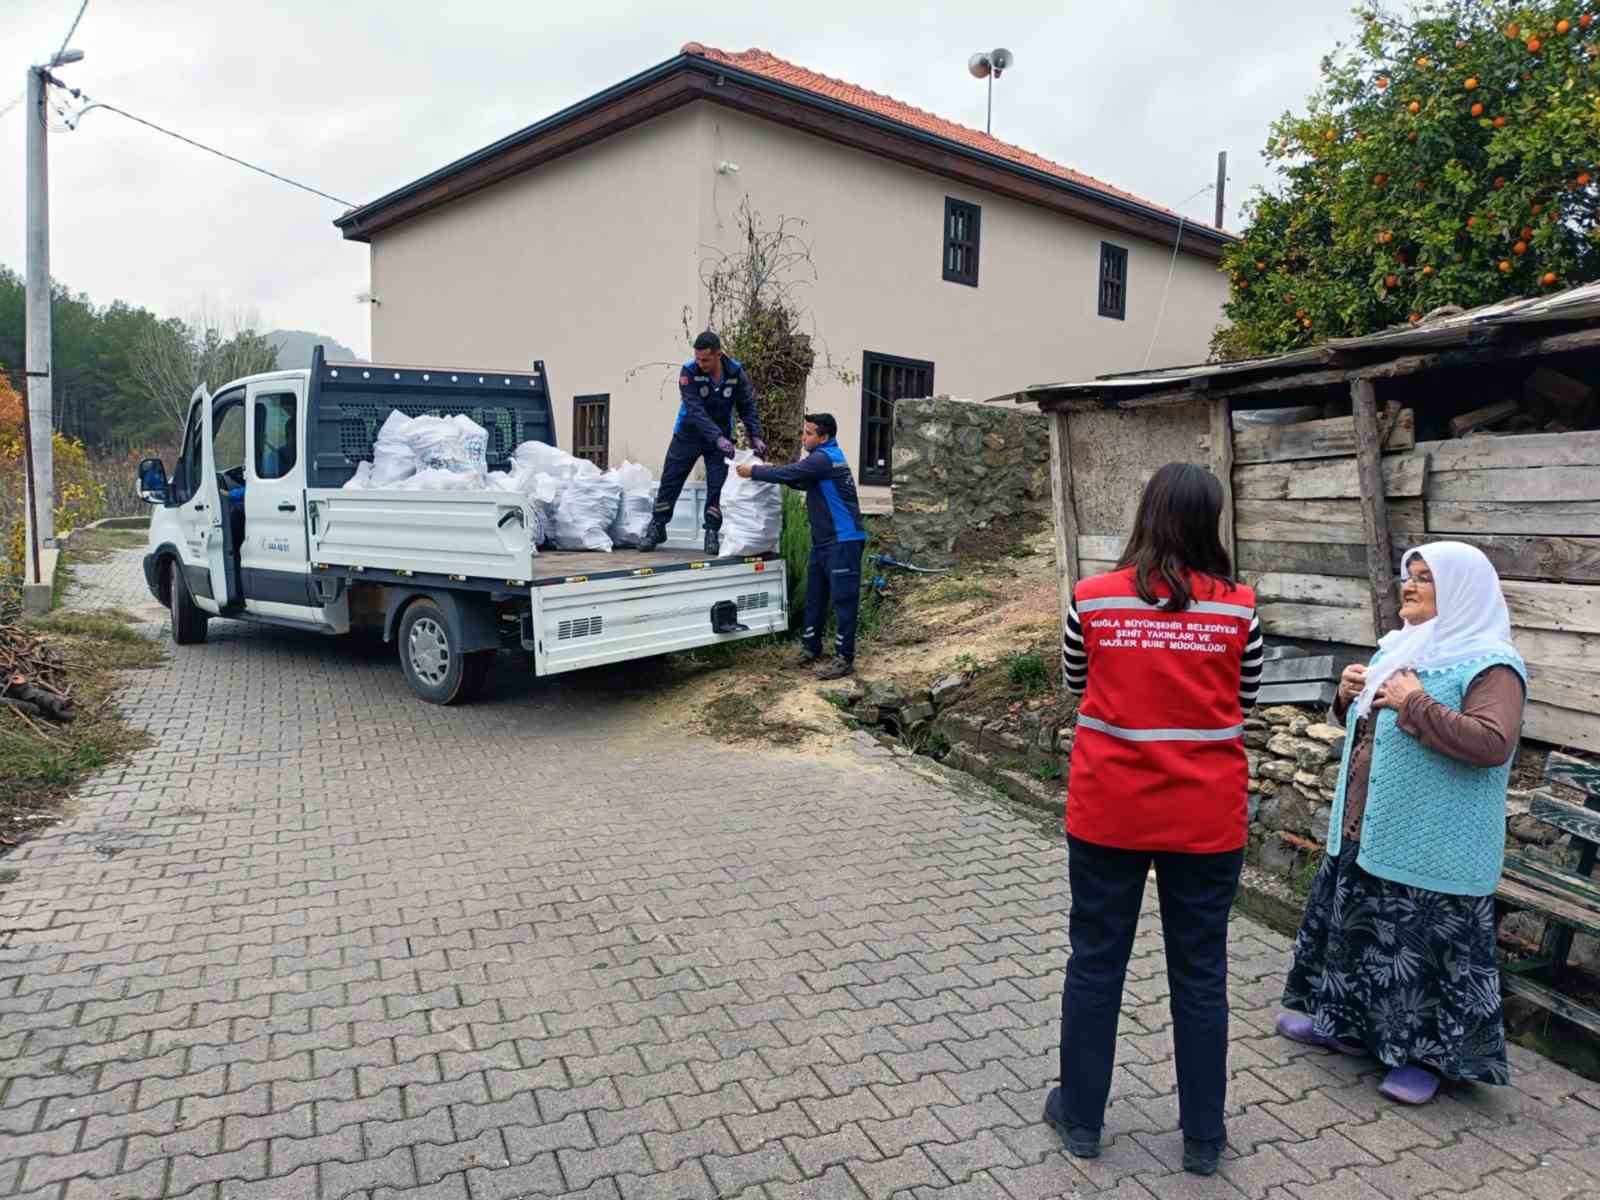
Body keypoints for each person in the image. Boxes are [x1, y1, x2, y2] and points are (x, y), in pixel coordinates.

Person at [1047, 462, 1262, 1178]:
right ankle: (1203, 1137)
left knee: (1096, 961)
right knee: (1201, 973)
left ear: (1146, 515)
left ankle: (1081, 1118)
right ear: (1212, 521)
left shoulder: (1092, 600)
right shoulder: (1239, 608)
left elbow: (1081, 682)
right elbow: (1246, 699)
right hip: (1206, 819)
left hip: (1109, 810)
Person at [1278, 542, 1526, 1106]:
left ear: (1461, 593)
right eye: (1407, 577)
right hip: (1369, 829)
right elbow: (1370, 728)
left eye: (1424, 580)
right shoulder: (1400, 648)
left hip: (1434, 844)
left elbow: (1493, 742)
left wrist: (1414, 703)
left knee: (1419, 946)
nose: (1408, 587)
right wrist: (1346, 700)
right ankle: (1338, 1021)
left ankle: (1424, 1059)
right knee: (1359, 931)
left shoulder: (1490, 663)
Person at [735, 412, 866, 680]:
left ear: (824, 437)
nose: (803, 438)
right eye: (804, 432)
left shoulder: (825, 458)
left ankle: (844, 657)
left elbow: (792, 472)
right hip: (825, 542)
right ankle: (811, 647)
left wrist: (755, 471)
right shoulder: (820, 461)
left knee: (843, 599)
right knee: (815, 595)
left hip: (844, 540)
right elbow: (798, 479)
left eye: (808, 433)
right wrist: (769, 470)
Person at [641, 330, 766, 555]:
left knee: (717, 485)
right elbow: (695, 410)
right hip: (688, 434)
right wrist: (716, 437)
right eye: (698, 358)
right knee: (671, 480)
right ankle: (657, 526)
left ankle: (711, 531)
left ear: (719, 355)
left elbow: (746, 406)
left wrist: (755, 435)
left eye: (706, 359)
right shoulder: (688, 372)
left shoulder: (736, 372)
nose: (701, 363)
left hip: (720, 438)